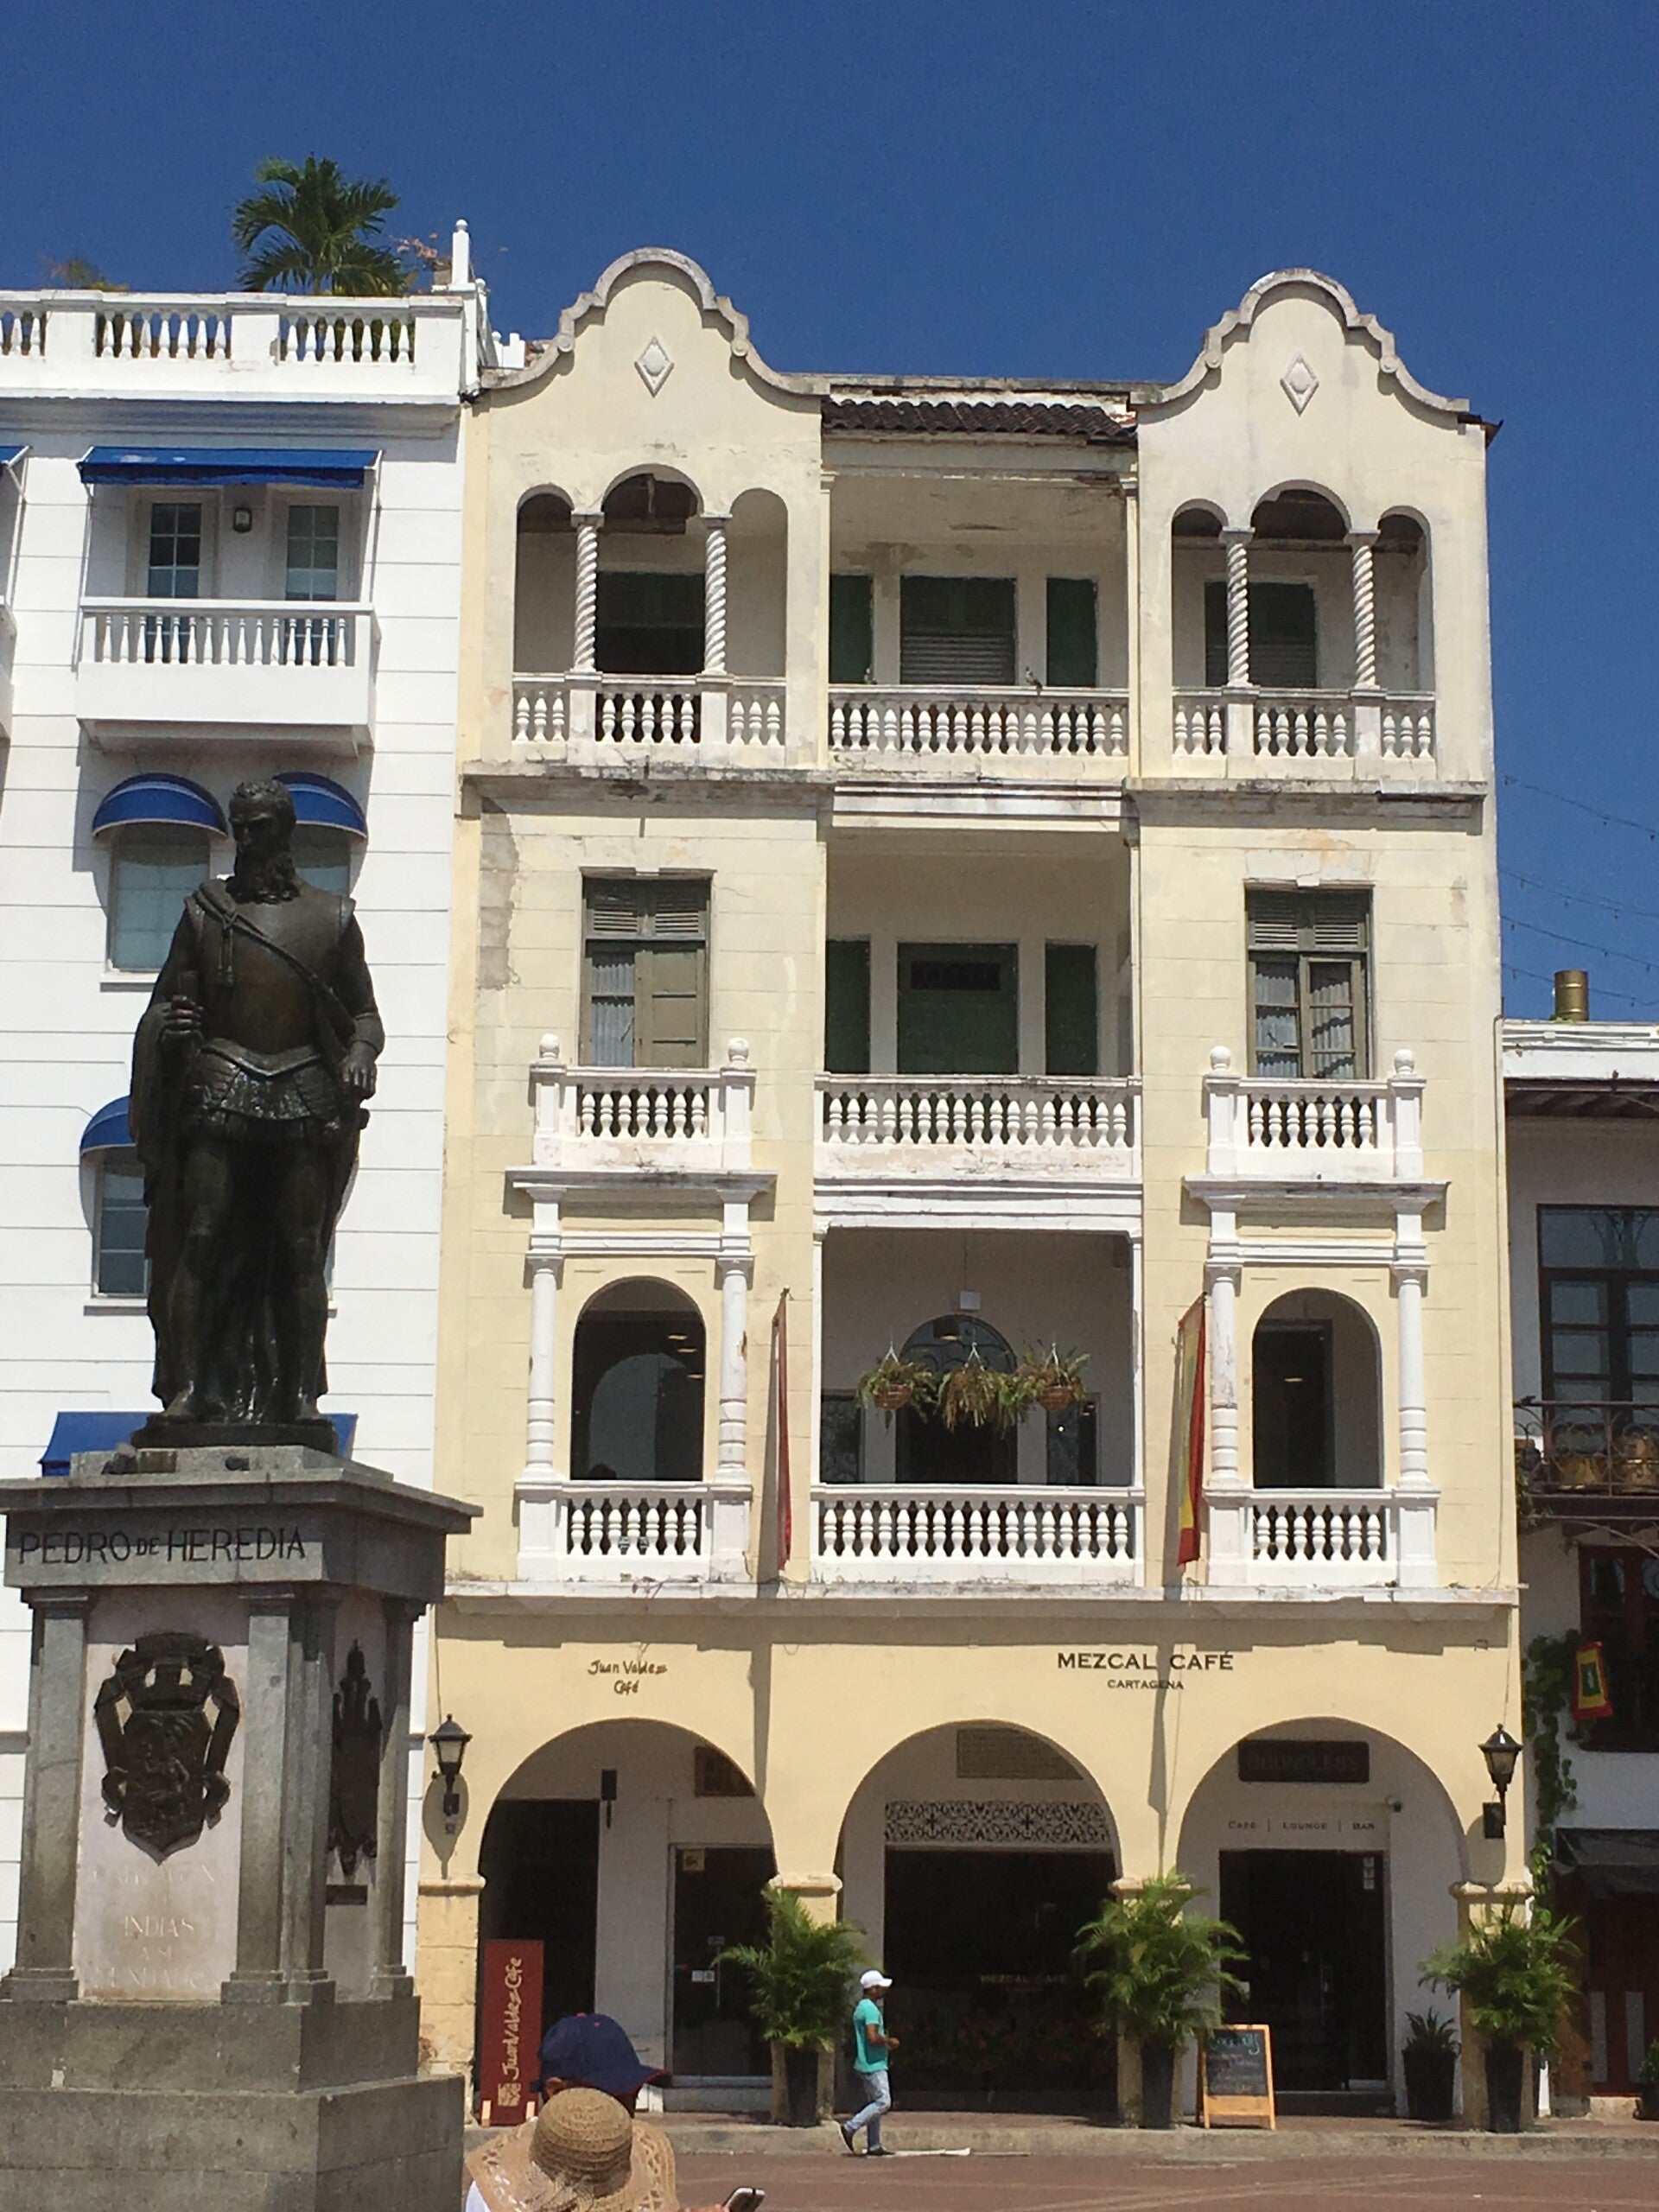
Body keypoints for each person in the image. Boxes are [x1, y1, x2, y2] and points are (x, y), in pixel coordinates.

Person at [130, 776, 382, 1436]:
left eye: (260, 827)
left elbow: (365, 1015)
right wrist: (169, 1026)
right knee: (201, 1236)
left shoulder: (332, 918)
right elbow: (163, 1002)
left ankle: (299, 1395)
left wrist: (359, 1055)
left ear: (285, 830)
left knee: (300, 1249)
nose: (247, 839)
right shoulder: (203, 913)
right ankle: (190, 1389)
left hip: (302, 1089)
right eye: (239, 827)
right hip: (220, 1083)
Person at [840, 1968, 897, 2157]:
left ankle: (874, 2144)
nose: (883, 1991)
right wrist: (888, 2041)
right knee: (883, 2102)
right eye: (880, 1988)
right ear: (872, 1989)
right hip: (874, 2064)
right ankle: (850, 2126)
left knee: (874, 2103)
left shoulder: (861, 2007)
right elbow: (872, 2037)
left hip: (866, 2062)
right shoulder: (871, 2010)